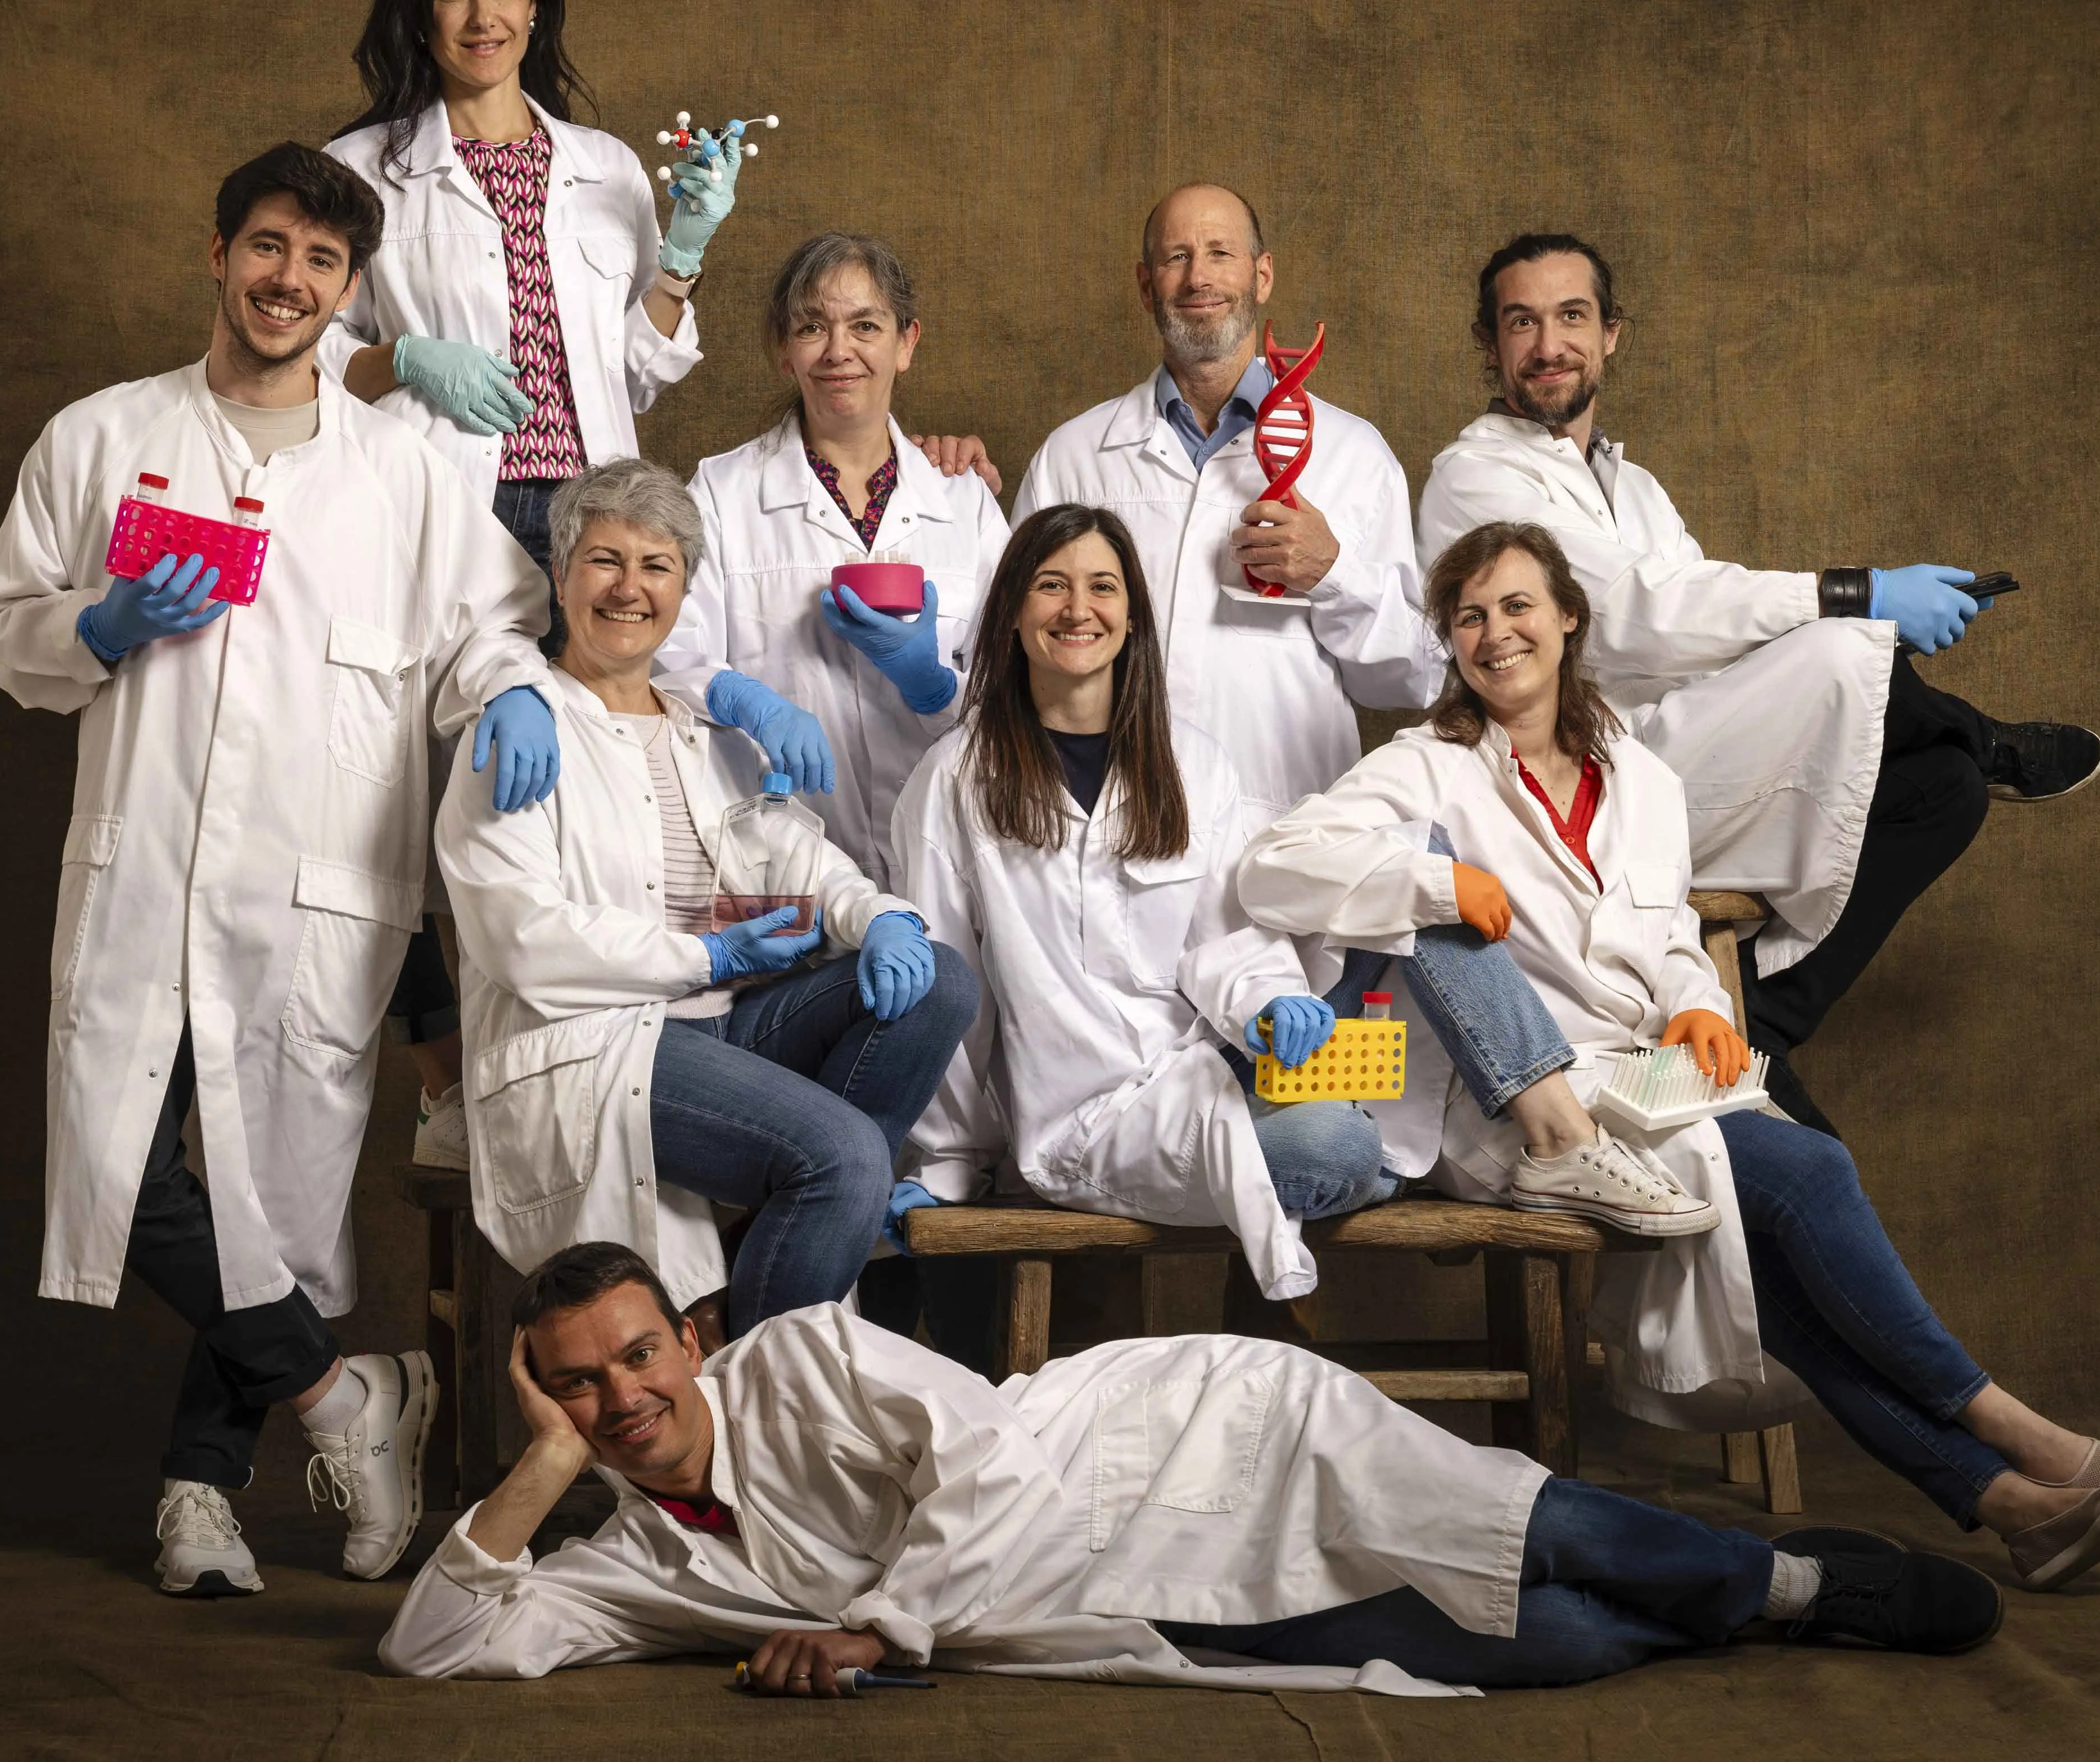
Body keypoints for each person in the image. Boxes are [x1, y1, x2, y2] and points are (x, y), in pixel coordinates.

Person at [1238, 524, 2100, 1592]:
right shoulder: (1423, 766)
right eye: (1470, 617)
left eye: (1519, 606)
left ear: (1570, 616)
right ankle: (2017, 1426)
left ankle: (2009, 1503)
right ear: (1449, 642)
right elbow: (1277, 865)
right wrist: (1439, 887)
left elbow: (1672, 926)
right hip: (1525, 1100)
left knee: (1773, 1262)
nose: (1497, 635)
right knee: (1810, 1172)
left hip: (1646, 1073)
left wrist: (1694, 1004)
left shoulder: (1640, 774)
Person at [0, 142, 565, 1598]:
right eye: (267, 247)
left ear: (350, 291)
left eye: (321, 262)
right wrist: (94, 630)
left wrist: (516, 691)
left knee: (264, 1195)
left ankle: (200, 1493)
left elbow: (495, 616)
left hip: (314, 889)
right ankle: (348, 1396)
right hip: (144, 870)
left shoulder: (402, 475)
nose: (288, 280)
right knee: (127, 1165)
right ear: (218, 254)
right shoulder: (102, 437)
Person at [378, 1241, 2006, 1689]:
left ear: (692, 1333)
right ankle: (1743, 1612)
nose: (623, 1400)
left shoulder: (799, 1351)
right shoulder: (628, 1570)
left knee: (1492, 1514)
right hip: (1130, 1611)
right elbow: (435, 1644)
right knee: (1556, 1641)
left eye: (638, 1357)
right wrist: (530, 1469)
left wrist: (881, 1629)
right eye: (578, 1388)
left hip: (1173, 1442)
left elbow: (991, 1465)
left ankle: (1797, 1583)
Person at [315, 0, 820, 1166]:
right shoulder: (364, 168)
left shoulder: (603, 167)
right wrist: (399, 361)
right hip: (448, 509)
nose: (480, 14)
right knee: (428, 794)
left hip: (592, 503)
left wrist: (685, 251)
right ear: (417, 15)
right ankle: (445, 1079)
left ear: (536, 6)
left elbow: (640, 370)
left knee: (598, 789)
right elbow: (303, 342)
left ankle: (606, 1056)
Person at [1415, 237, 2100, 1129]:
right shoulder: (1474, 475)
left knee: (1945, 792)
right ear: (1488, 343)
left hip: (1680, 763)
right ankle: (1987, 735)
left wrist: (1839, 638)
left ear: (1612, 334)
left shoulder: (1638, 491)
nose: (1549, 343)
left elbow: (1709, 633)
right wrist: (1856, 595)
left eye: (1572, 317)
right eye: (1522, 322)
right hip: (1577, 793)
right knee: (1835, 649)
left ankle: (1772, 1017)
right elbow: (1630, 612)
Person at [431, 458, 980, 1337]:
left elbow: (791, 852)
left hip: (724, 1026)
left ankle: (801, 1245)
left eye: (657, 567)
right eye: (605, 560)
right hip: (595, 1040)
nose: (629, 588)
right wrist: (707, 955)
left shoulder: (704, 734)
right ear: (562, 577)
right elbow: (516, 937)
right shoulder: (520, 727)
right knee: (841, 1154)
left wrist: (877, 916)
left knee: (941, 980)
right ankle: (771, 1395)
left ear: (685, 590)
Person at [889, 505, 1388, 1302]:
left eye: (1102, 587)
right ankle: (1363, 1166)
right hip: (1085, 1119)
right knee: (1331, 1147)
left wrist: (1271, 1001)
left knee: (1368, 1088)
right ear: (1012, 613)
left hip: (1210, 1061)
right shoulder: (954, 779)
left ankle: (1367, 1152)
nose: (1077, 609)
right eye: (1050, 586)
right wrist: (948, 1158)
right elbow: (953, 989)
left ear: (1132, 618)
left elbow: (1229, 935)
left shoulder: (1193, 763)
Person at [933, 185, 1438, 808]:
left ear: (1262, 275)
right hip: (1109, 826)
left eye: (1220, 253)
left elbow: (1411, 679)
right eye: (1176, 258)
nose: (1199, 277)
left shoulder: (1353, 455)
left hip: (1287, 835)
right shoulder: (1073, 457)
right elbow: (1009, 650)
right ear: (1146, 286)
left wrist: (1332, 575)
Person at [656, 235, 1010, 884]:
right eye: (811, 327)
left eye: (865, 325)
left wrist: (936, 689)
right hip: (780, 861)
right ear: (784, 351)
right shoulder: (720, 494)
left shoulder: (965, 503)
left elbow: (1019, 687)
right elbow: (664, 658)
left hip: (947, 862)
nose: (839, 351)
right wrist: (744, 699)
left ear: (906, 343)